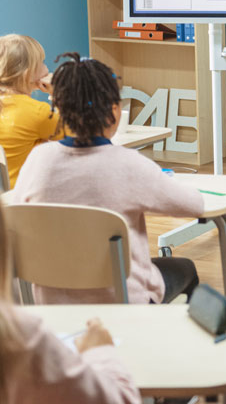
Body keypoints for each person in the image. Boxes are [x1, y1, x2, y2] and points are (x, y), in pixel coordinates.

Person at [12, 53, 204, 305]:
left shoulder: (38, 159)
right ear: (114, 111)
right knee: (185, 268)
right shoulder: (130, 164)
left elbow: (19, 212)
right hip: (122, 299)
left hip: (54, 304)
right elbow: (194, 206)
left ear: (57, 111)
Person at [0, 206, 140, 403]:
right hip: (120, 304)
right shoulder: (21, 339)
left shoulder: (31, 175)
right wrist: (99, 351)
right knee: (183, 269)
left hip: (43, 294)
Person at [0, 34, 62, 188]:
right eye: (41, 63)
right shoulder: (36, 112)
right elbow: (79, 133)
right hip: (22, 201)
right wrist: (58, 93)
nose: (47, 69)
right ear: (28, 73)